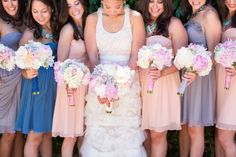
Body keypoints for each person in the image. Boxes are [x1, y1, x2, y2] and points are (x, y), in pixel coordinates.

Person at [80, 0, 146, 156]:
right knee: (100, 129)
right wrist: (101, 86)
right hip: (100, 82)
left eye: (117, 6)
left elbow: (136, 53)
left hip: (127, 82)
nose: (112, 11)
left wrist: (122, 85)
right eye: (107, 7)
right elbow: (92, 56)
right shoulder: (92, 19)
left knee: (126, 130)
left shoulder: (135, 18)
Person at [137, 0, 188, 156]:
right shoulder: (139, 22)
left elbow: (182, 59)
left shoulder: (174, 24)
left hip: (164, 84)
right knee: (143, 133)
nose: (155, 6)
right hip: (141, 82)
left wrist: (162, 72)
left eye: (160, 2)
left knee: (157, 133)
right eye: (151, 1)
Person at [15, 0, 59, 156]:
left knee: (47, 133)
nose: (39, 15)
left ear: (52, 9)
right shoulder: (30, 33)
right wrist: (24, 72)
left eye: (44, 11)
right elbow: (18, 61)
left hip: (53, 88)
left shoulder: (59, 31)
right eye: (35, 11)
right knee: (35, 135)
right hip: (37, 87)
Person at [179, 0, 221, 157]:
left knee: (195, 128)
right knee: (184, 127)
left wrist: (197, 72)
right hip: (187, 77)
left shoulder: (209, 15)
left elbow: (215, 53)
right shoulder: (192, 12)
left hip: (201, 79)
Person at [52, 0, 89, 156]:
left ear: (84, 3)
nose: (74, 9)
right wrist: (68, 85)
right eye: (68, 6)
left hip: (86, 86)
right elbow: (60, 64)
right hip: (70, 88)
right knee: (71, 136)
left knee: (83, 133)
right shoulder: (67, 30)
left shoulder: (89, 25)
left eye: (76, 3)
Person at [0, 0, 25, 157]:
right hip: (5, 81)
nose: (10, 4)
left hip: (24, 80)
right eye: (5, 0)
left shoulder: (28, 18)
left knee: (18, 130)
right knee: (9, 131)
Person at [216, 0, 236, 156]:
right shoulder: (221, 16)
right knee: (219, 135)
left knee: (225, 136)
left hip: (234, 83)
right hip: (220, 82)